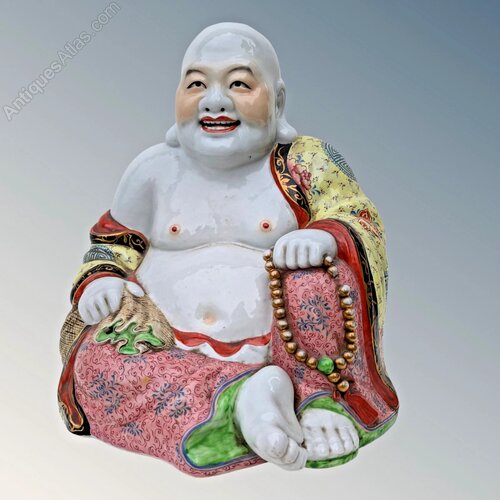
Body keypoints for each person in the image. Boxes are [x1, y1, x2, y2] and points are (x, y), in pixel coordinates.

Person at [58, 22, 398, 477]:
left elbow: (356, 215)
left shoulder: (303, 162)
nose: (214, 101)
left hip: (289, 353)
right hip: (169, 349)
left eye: (238, 84)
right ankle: (244, 401)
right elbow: (113, 244)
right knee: (95, 366)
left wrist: (324, 235)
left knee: (318, 271)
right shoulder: (152, 171)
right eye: (197, 84)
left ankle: (318, 399)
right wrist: (101, 279)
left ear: (278, 102)